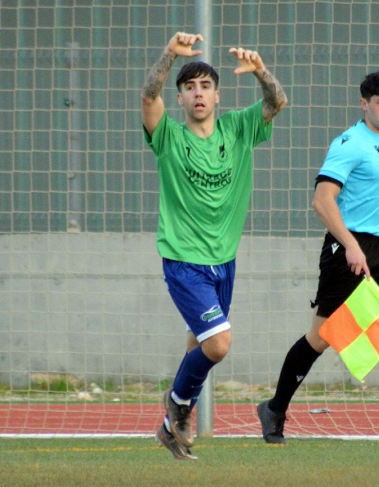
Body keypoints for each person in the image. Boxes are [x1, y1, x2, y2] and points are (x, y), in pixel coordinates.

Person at [257, 71, 379, 444]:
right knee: (321, 338)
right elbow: (322, 200)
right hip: (345, 249)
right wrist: (350, 244)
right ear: (364, 104)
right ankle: (275, 408)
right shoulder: (348, 143)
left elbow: (375, 188)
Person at [141, 32, 287, 460]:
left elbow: (277, 103)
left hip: (224, 261)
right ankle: (179, 405)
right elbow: (149, 96)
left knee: (198, 343)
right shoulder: (168, 136)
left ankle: (170, 430)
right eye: (189, 88)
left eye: (205, 86)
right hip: (184, 260)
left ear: (218, 96)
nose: (198, 93)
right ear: (181, 99)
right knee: (219, 342)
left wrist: (260, 71)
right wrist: (169, 54)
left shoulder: (238, 128)